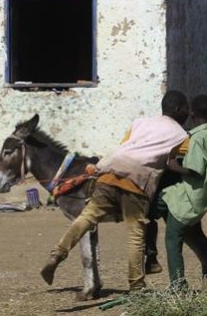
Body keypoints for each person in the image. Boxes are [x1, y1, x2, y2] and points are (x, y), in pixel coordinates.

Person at [40, 91, 190, 292]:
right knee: (136, 232)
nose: (189, 113)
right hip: (136, 181)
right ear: (179, 109)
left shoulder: (140, 122)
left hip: (108, 171)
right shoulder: (181, 135)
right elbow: (181, 160)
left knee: (87, 217)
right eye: (187, 109)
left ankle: (57, 254)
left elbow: (125, 146)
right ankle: (136, 285)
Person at [151, 94, 207, 289]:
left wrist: (173, 165)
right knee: (191, 232)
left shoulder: (198, 139)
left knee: (172, 237)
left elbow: (195, 170)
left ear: (192, 113)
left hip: (191, 196)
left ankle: (178, 287)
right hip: (200, 194)